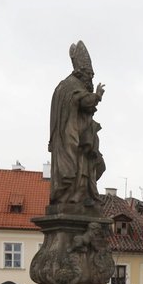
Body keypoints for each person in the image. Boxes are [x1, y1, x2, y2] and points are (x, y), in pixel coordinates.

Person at [48, 40, 106, 206]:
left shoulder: (62, 86)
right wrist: (97, 95)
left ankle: (76, 196)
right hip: (73, 137)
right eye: (90, 75)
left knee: (92, 166)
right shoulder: (73, 85)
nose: (91, 79)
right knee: (79, 167)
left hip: (68, 136)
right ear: (83, 72)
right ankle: (76, 196)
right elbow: (84, 102)